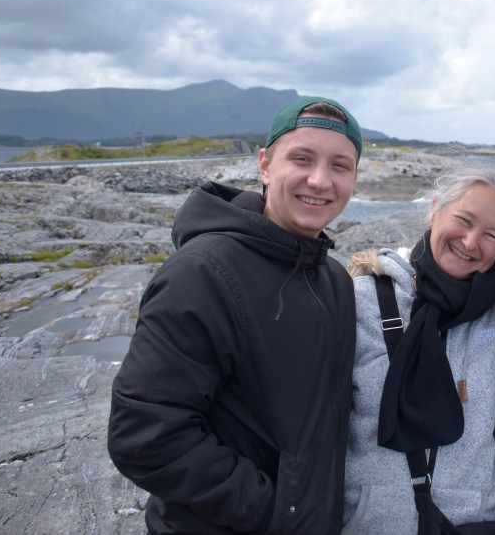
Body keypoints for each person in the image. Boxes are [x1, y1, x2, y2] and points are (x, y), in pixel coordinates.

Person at [108, 96, 363, 534]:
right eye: (302, 159)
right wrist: (275, 513)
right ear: (265, 165)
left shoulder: (333, 280)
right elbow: (145, 435)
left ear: (354, 178)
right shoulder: (202, 273)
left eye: (340, 166)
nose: (320, 181)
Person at [341, 165, 495, 535]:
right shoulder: (361, 300)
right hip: (372, 525)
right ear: (434, 209)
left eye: (490, 235)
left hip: (474, 524)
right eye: (464, 221)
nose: (470, 242)